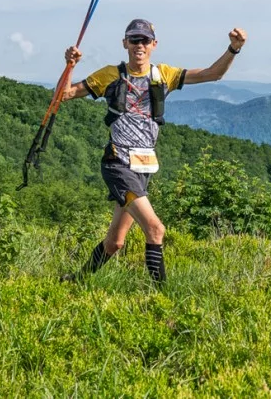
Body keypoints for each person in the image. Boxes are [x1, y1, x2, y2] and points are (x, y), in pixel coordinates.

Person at [59, 18, 247, 284]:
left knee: (115, 243)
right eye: (134, 40)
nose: (140, 45)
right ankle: (162, 297)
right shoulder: (109, 75)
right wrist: (70, 66)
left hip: (143, 166)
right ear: (125, 43)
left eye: (145, 40)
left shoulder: (164, 75)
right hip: (118, 163)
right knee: (156, 229)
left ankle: (76, 281)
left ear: (154, 45)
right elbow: (63, 95)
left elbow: (212, 74)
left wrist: (234, 49)